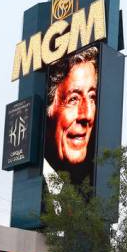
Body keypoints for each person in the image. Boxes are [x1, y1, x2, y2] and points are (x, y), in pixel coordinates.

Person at [44, 45, 98, 187]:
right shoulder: (34, 186)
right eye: (73, 99)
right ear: (48, 109)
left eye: (92, 97)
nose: (87, 115)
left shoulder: (84, 194)